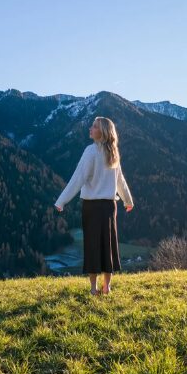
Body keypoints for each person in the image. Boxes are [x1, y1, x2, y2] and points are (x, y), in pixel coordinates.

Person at [54, 116, 134, 296]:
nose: (90, 129)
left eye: (94, 127)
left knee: (92, 246)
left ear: (103, 132)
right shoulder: (113, 153)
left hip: (92, 207)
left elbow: (78, 178)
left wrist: (61, 201)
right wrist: (128, 201)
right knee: (108, 245)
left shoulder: (90, 151)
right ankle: (107, 286)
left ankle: (93, 288)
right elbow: (120, 180)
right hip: (110, 207)